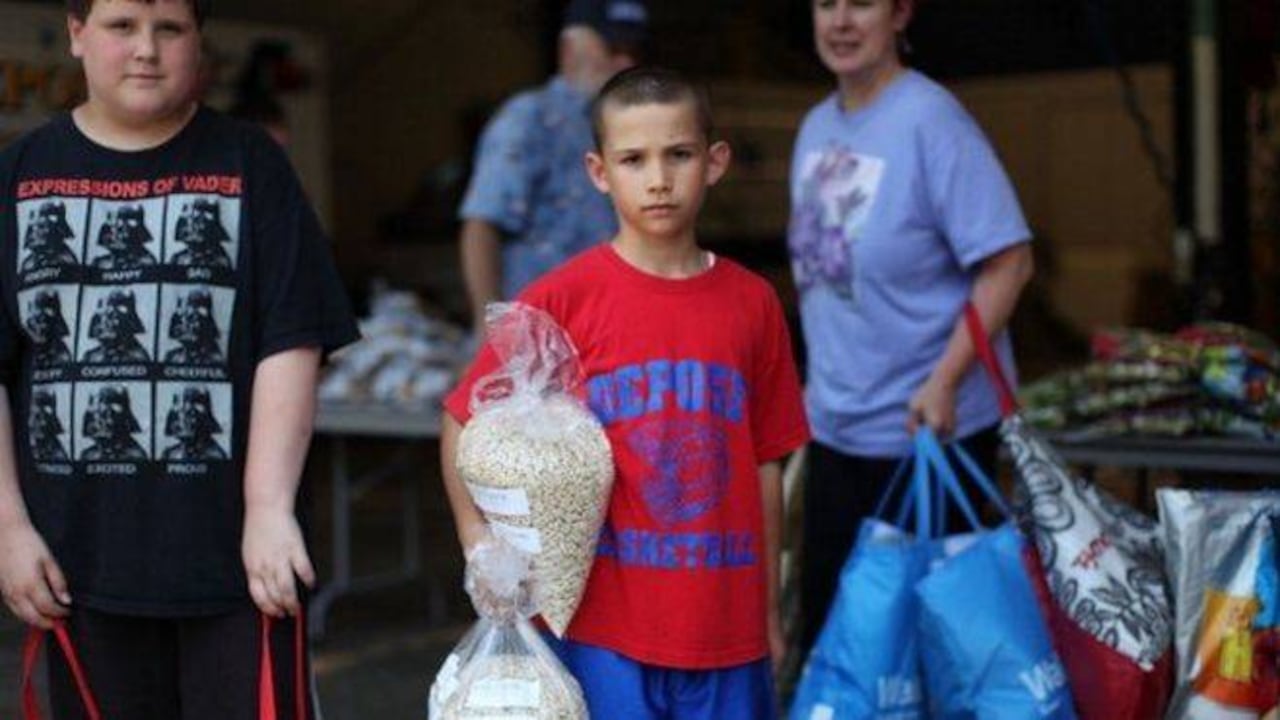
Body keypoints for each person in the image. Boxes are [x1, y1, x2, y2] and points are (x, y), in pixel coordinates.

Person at [0, 1, 359, 717]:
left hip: (241, 566)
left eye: (169, 28)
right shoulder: (18, 174)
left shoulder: (252, 163)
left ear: (198, 41)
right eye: (122, 26)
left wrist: (268, 509)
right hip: (76, 569)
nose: (146, 49)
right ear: (76, 34)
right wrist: (8, 529)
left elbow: (292, 339)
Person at [441, 66, 811, 719]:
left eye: (679, 155)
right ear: (599, 172)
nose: (659, 179)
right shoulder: (562, 299)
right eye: (634, 160)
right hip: (600, 634)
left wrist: (766, 614)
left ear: (715, 161)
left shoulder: (753, 303)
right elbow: (462, 420)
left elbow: (766, 465)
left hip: (726, 632)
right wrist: (480, 547)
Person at [788, 0, 1035, 654]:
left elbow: (1009, 263)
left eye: (861, 3)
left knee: (915, 659)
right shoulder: (815, 127)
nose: (841, 21)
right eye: (826, 3)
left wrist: (945, 379)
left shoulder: (932, 121)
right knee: (835, 646)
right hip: (836, 429)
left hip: (926, 432)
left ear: (899, 14)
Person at [456, 0, 648, 336]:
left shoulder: (632, 124)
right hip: (541, 330)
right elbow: (482, 226)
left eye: (634, 50)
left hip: (613, 326)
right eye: (613, 49)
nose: (627, 63)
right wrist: (490, 325)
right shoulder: (529, 118)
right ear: (568, 50)